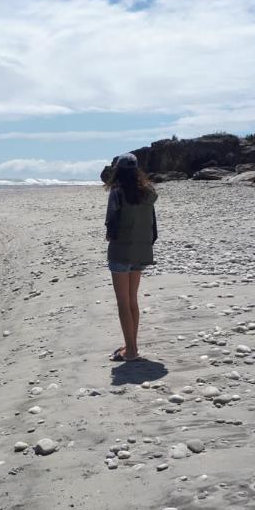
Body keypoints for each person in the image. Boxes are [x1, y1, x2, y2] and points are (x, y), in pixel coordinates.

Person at [105, 153, 158, 361]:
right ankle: (130, 345)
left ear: (117, 170)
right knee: (132, 301)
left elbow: (112, 223)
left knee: (123, 303)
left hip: (121, 251)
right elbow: (152, 224)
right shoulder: (148, 192)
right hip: (141, 251)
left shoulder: (117, 192)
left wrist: (112, 237)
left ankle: (131, 351)